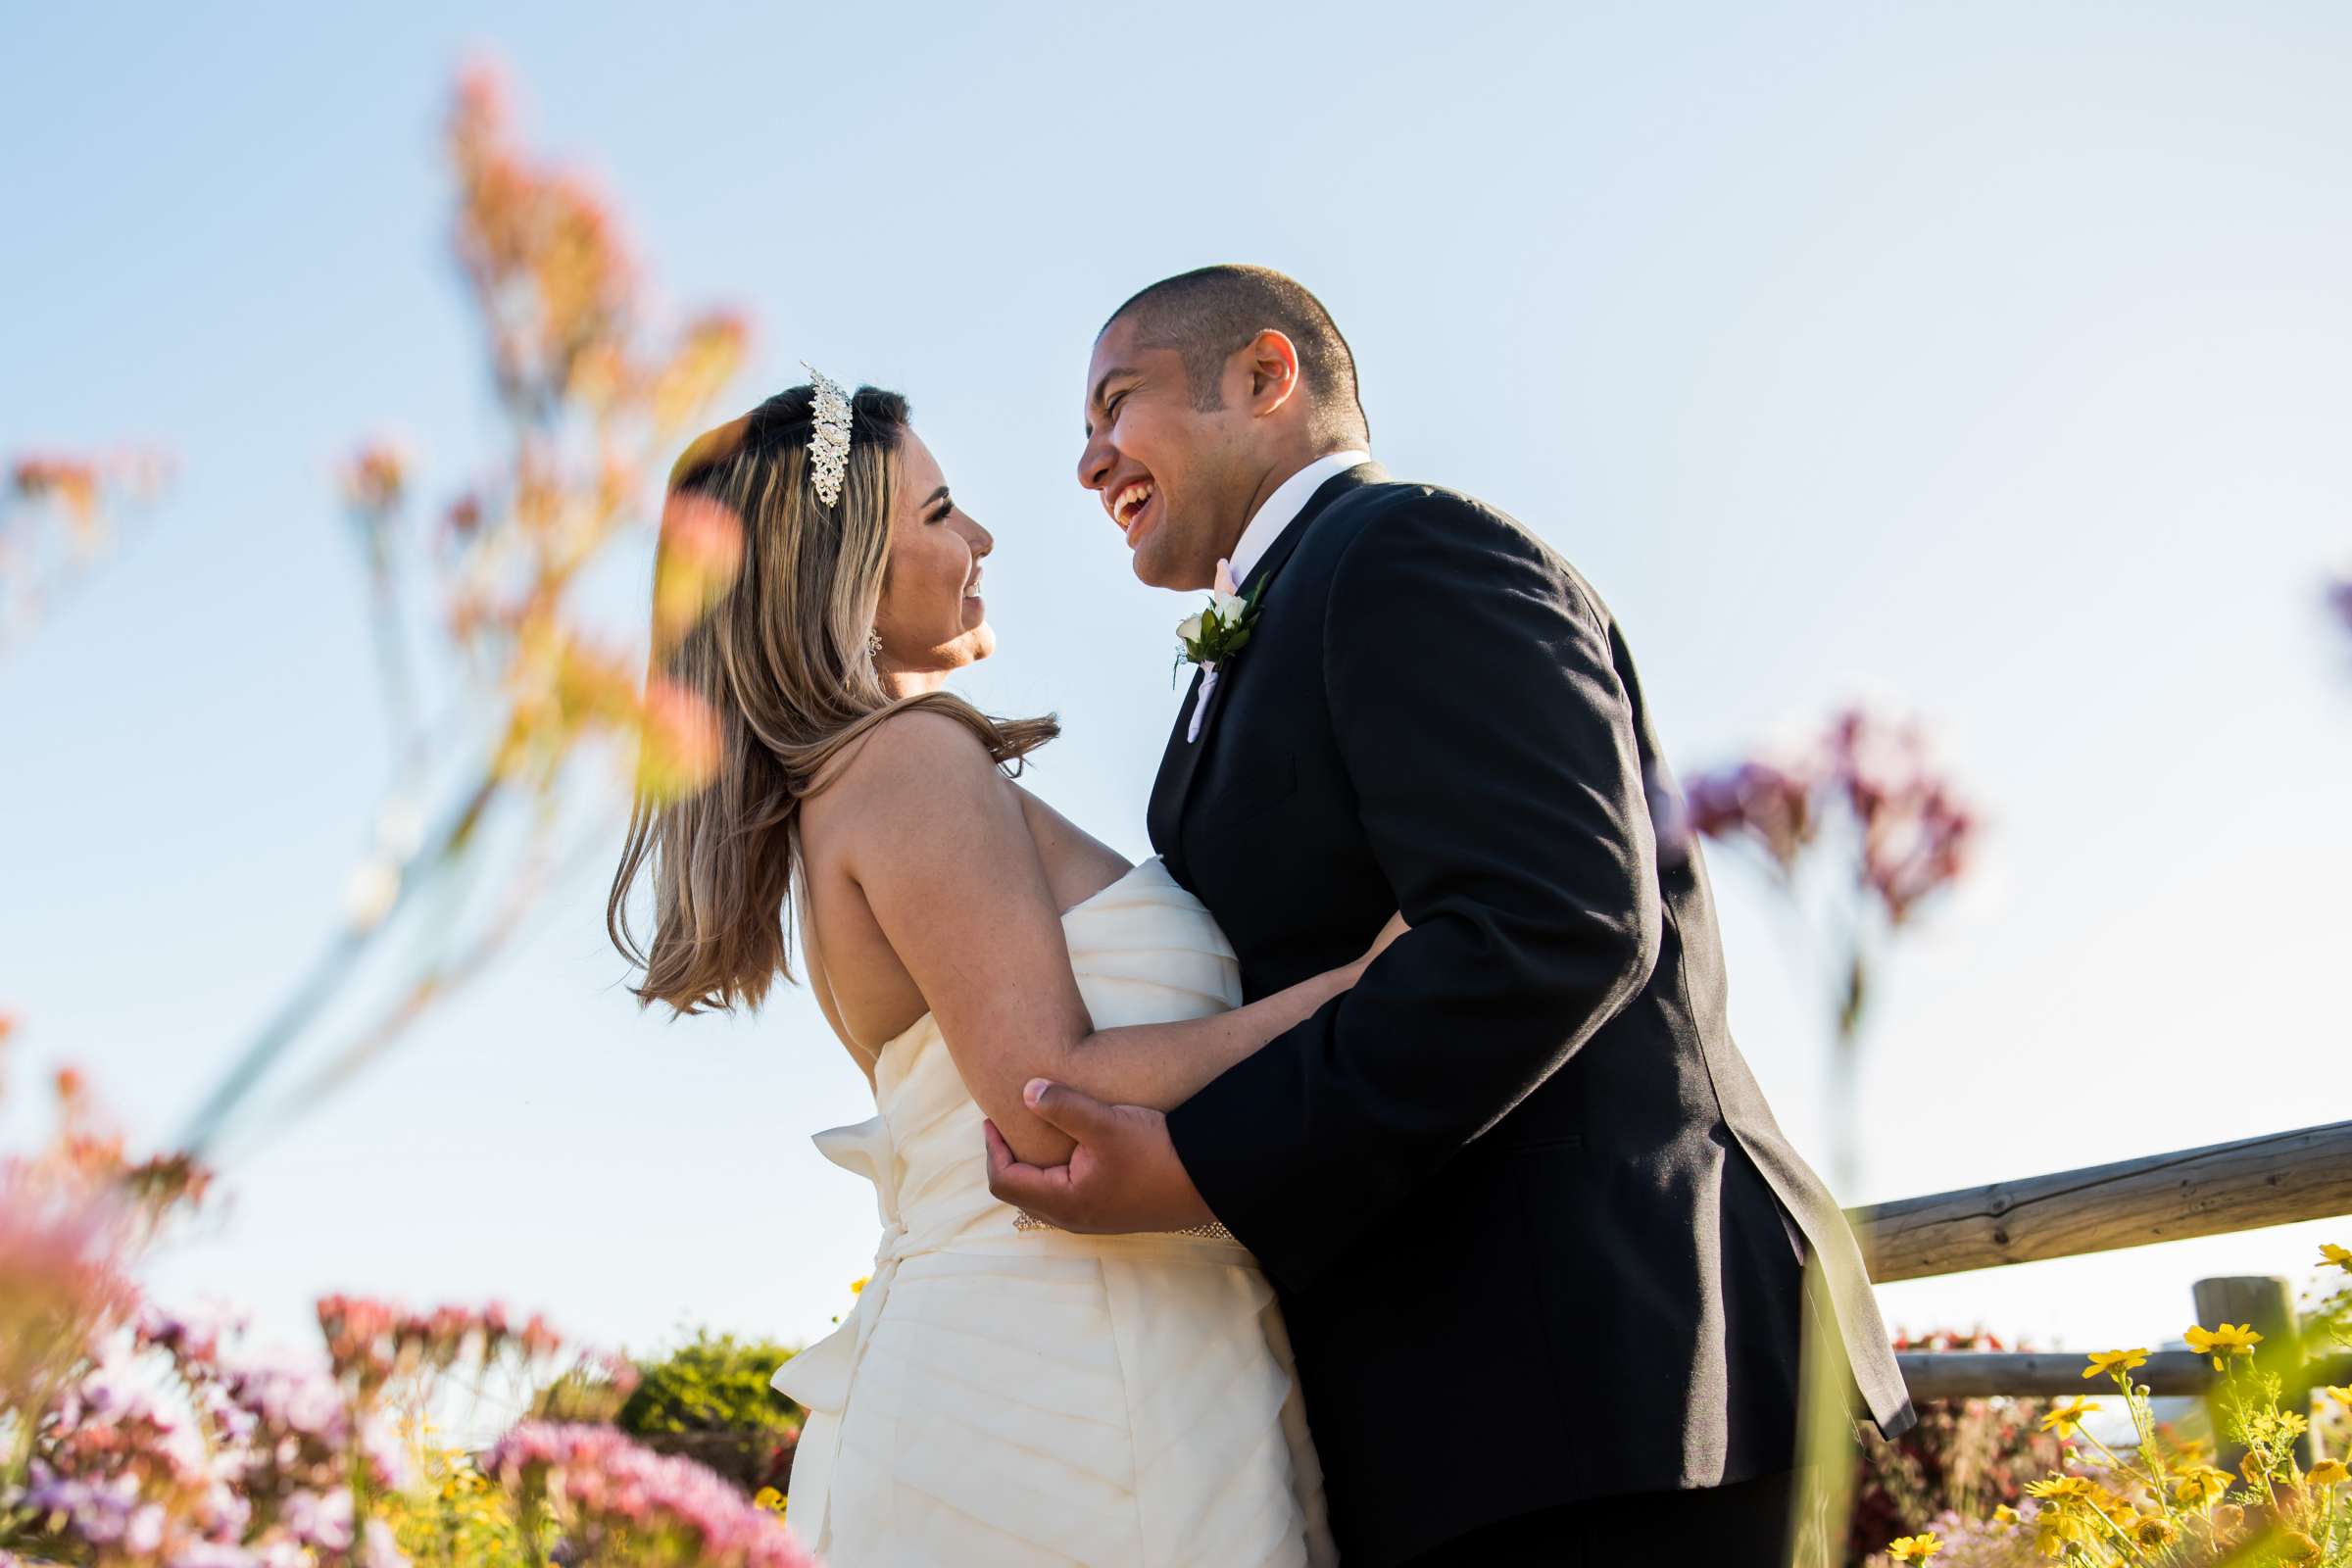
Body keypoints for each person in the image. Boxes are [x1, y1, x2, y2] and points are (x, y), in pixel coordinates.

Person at [985, 265, 1916, 1567]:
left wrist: (1205, 1163)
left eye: (1115, 405)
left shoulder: (1408, 550)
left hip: (1599, 1378)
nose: (1089, 463)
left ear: (1264, 376)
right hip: (1448, 1403)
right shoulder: (1277, 617)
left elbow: (1552, 920)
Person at [610, 372, 1397, 1566]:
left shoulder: (853, 788)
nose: (978, 539)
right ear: (844, 578)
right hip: (1068, 1385)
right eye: (938, 516)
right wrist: (1365, 989)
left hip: (1084, 1354)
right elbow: (1052, 1095)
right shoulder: (911, 759)